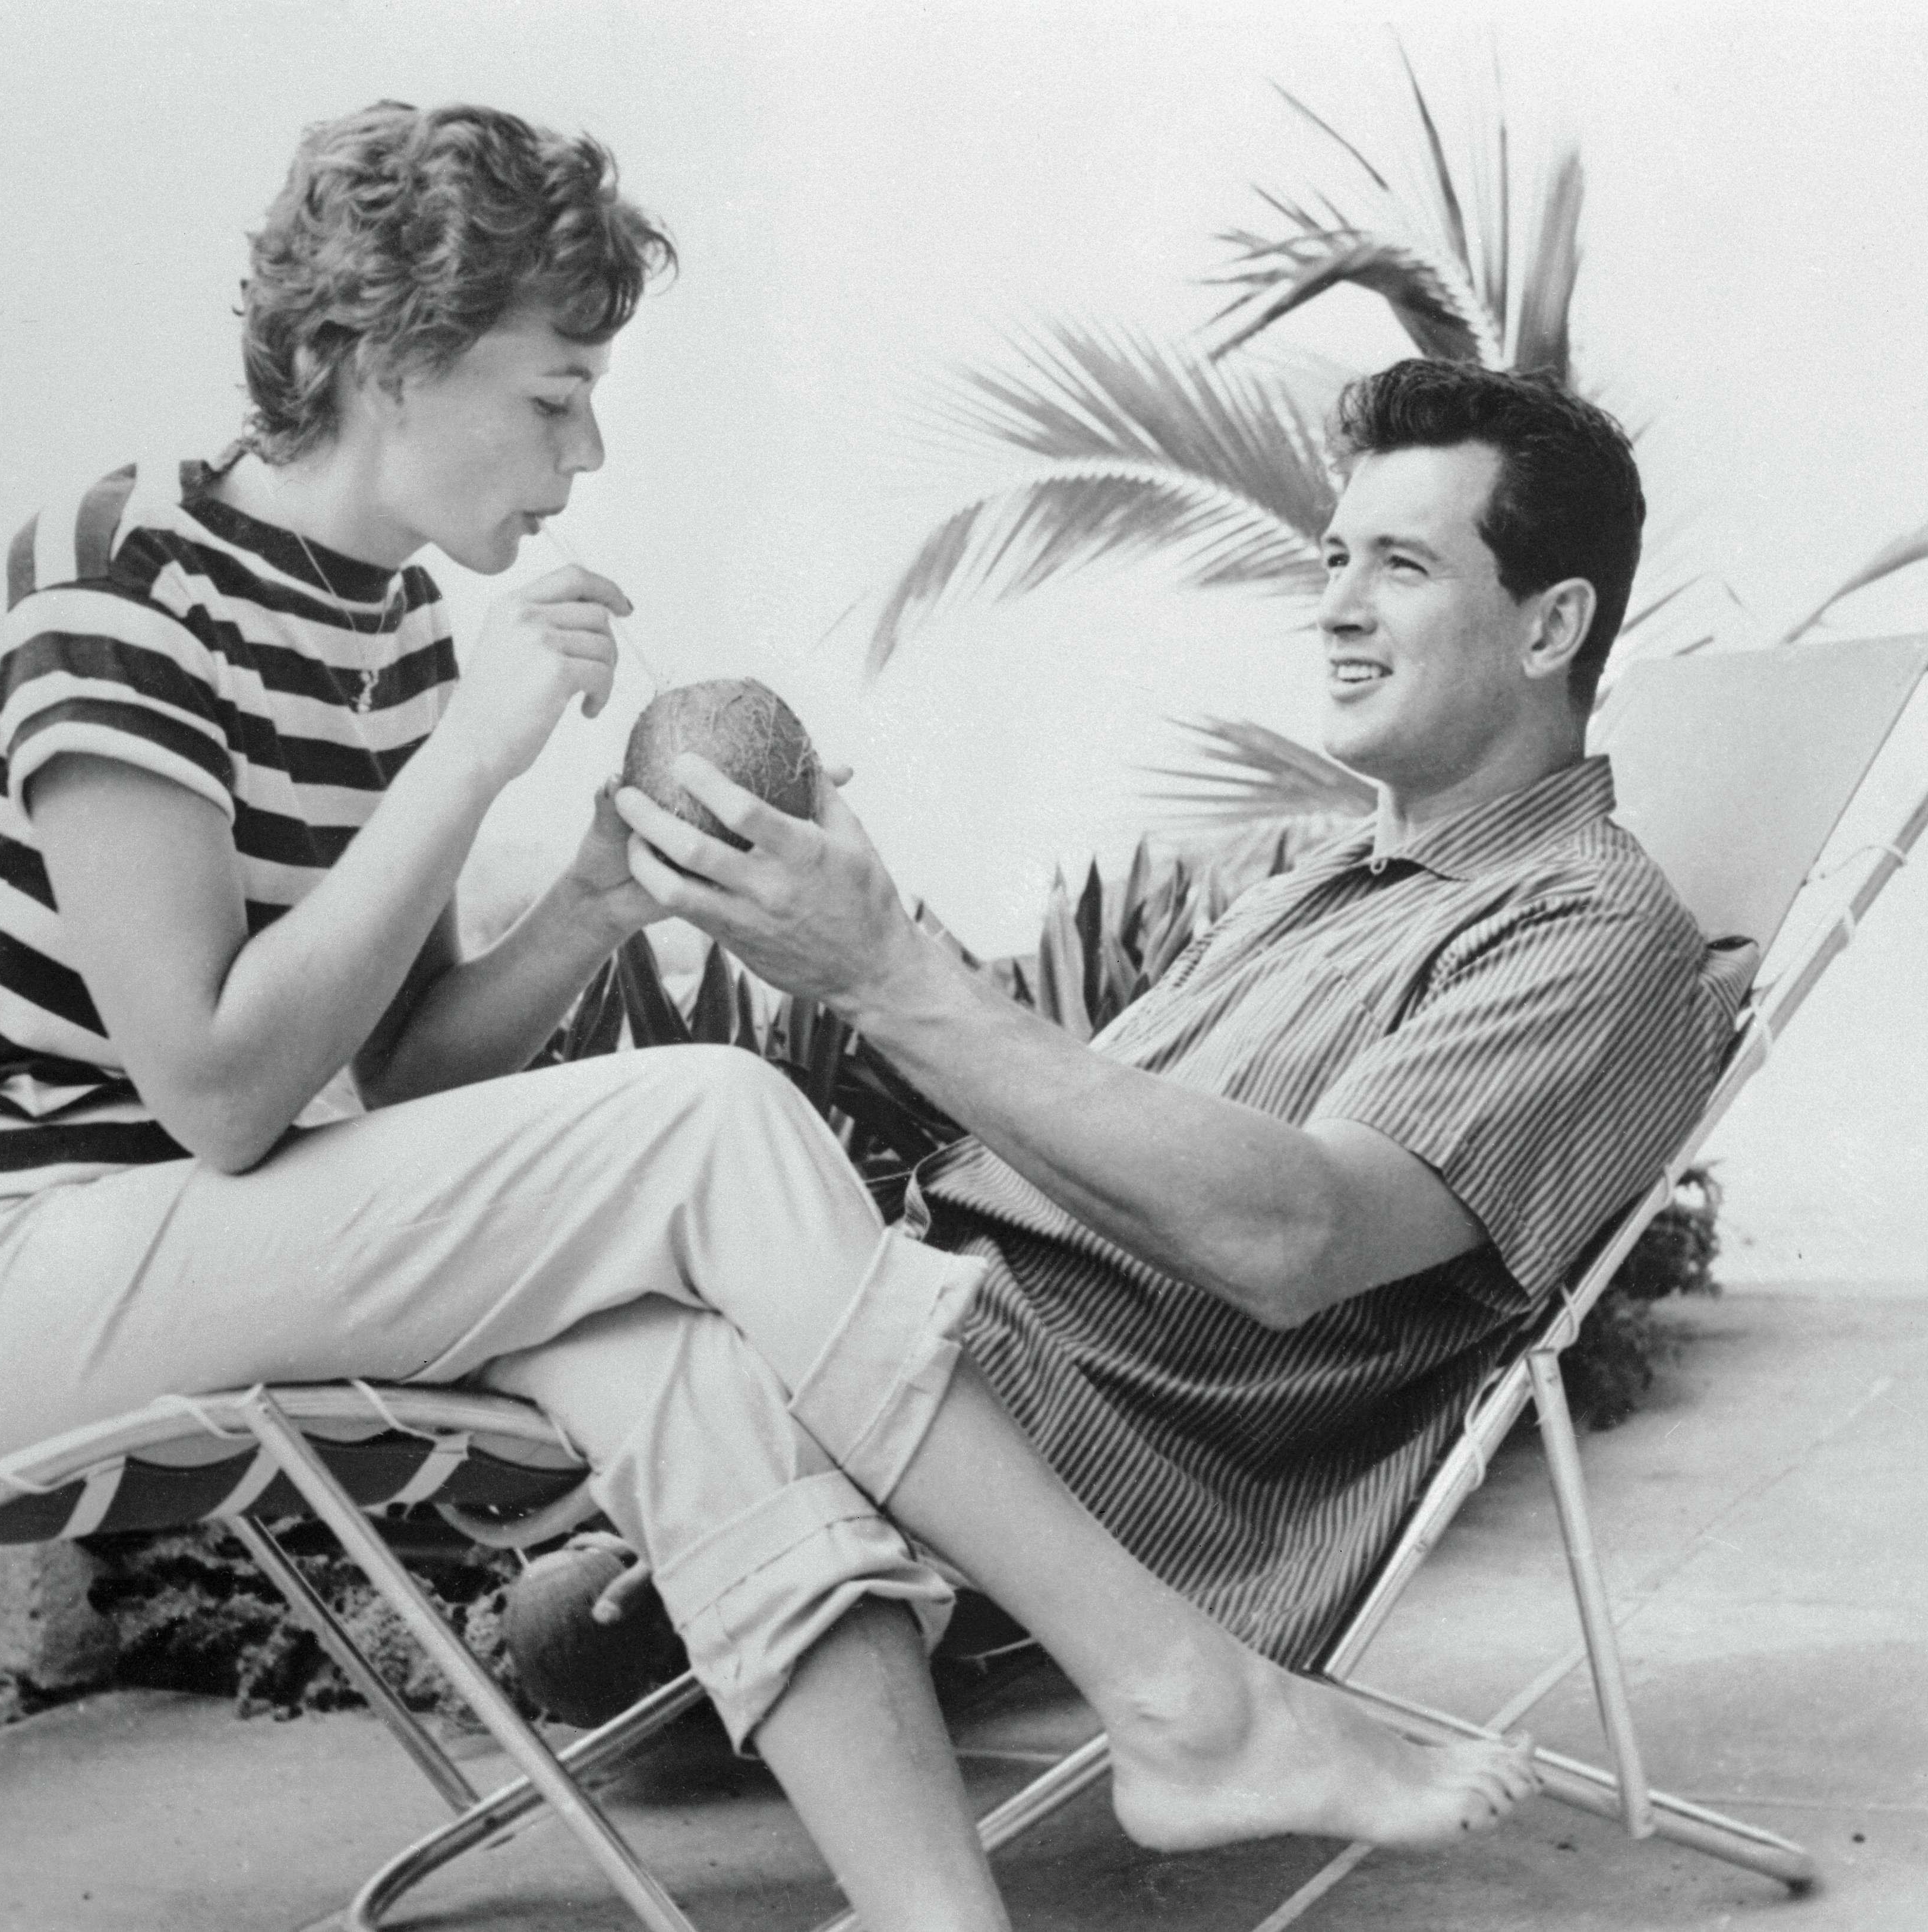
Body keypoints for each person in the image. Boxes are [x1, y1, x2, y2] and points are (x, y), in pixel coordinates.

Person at [0, 103, 1535, 1932]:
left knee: (689, 1353)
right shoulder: (116, 580)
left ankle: (934, 1917)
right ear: (381, 360)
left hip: (178, 1255)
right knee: (711, 1112)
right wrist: (476, 754)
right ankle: (1184, 1692)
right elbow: (222, 1088)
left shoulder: (395, 629)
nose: (587, 453)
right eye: (554, 397)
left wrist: (588, 896)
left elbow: (401, 1071)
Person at [616, 357, 1761, 1670]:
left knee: (663, 1140)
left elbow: (1290, 1236)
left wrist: (882, 975)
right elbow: (1073, 1141)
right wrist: (862, 934)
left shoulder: (1590, 929)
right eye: (1335, 559)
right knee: (568, 1582)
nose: (1333, 608)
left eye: (1401, 567)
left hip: (1045, 1432)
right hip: (921, 1337)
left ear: (1550, 628)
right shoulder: (1319, 893)